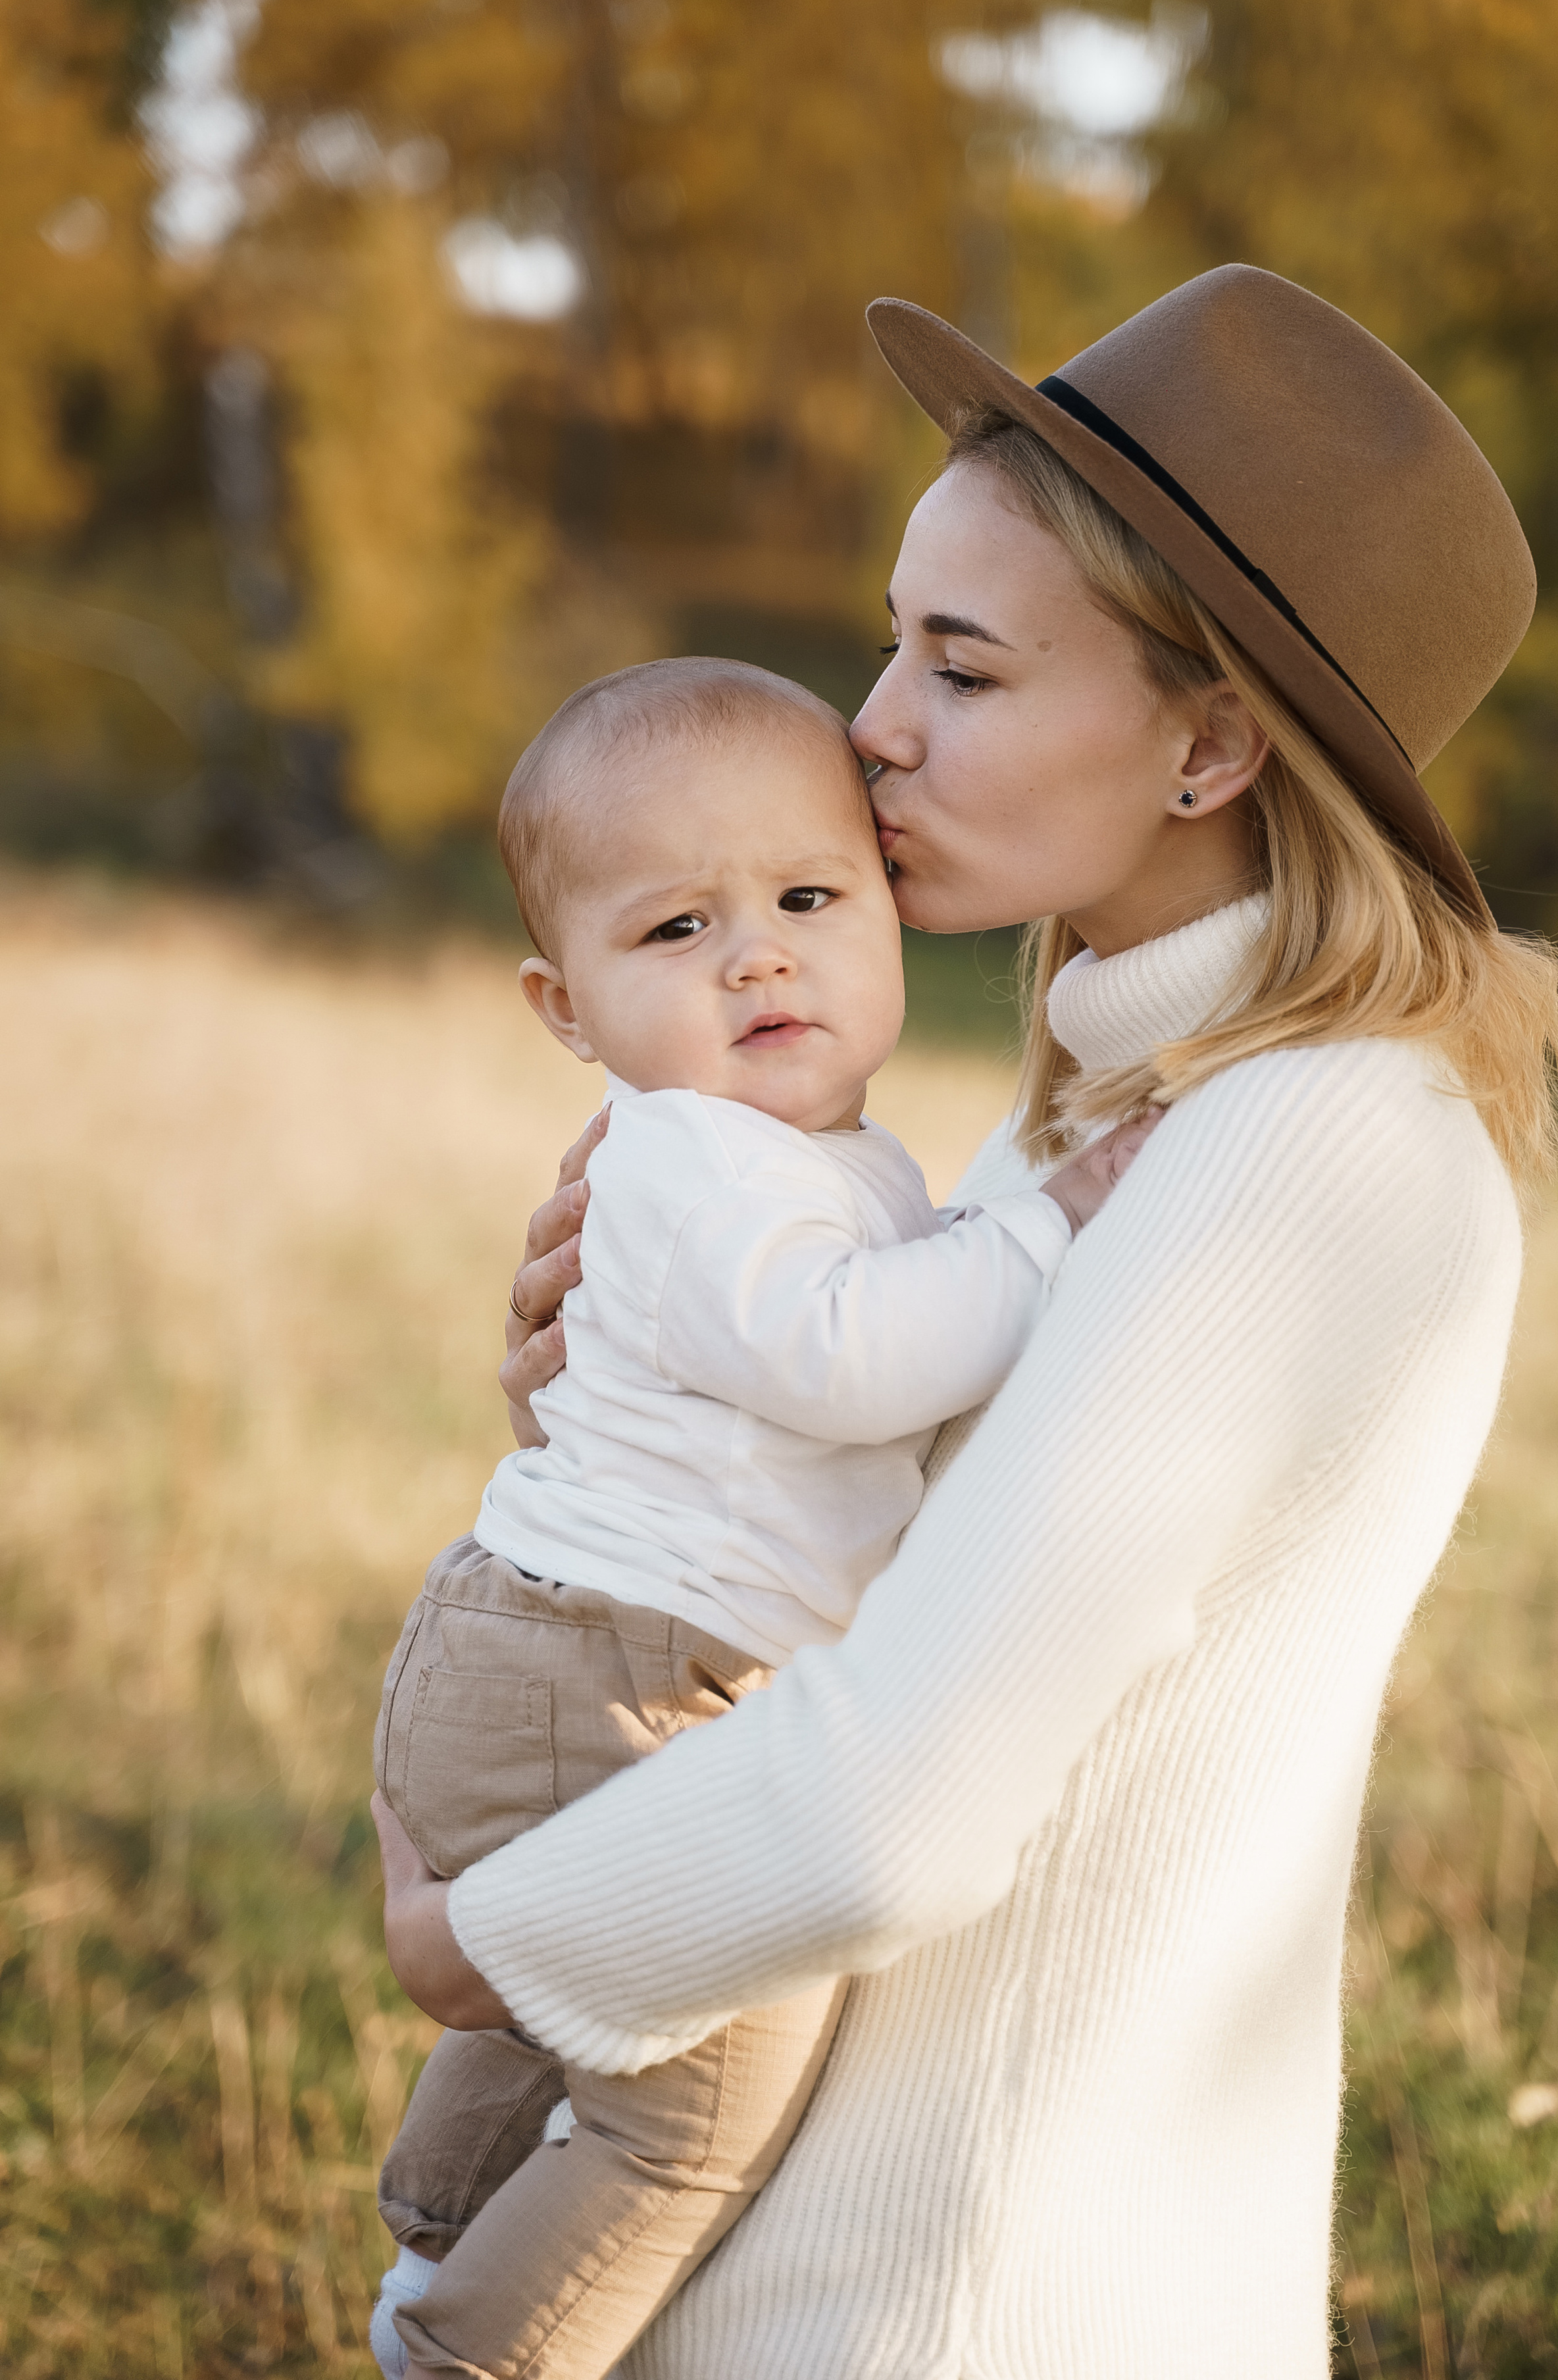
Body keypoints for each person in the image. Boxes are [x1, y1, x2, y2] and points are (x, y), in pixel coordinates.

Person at [374, 266, 1558, 2377]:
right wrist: (636, 1410)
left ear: (1214, 741)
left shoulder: (1303, 1146)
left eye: (963, 665)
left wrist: (468, 1941)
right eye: (889, 638)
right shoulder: (1124, 1107)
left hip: (950, 2297)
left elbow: (889, 1810)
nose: (871, 724)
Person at [367, 655, 1142, 2380]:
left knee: (600, 2024)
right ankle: (469, 2351)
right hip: (623, 1677)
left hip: (585, 1647)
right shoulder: (696, 1154)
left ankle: (442, 2221)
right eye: (675, 932)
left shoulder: (821, 1155)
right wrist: (1047, 1235)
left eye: (807, 896)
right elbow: (843, 1359)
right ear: (563, 1008)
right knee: (698, 2116)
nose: (758, 954)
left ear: (885, 908)